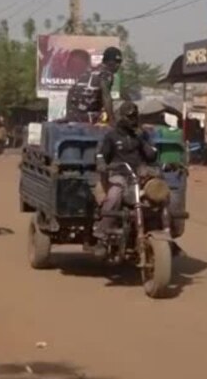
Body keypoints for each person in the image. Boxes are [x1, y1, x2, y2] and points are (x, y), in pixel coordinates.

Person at [94, 101, 157, 243]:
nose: (133, 120)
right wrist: (102, 164)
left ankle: (166, 233)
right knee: (114, 195)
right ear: (121, 117)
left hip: (140, 177)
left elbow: (152, 156)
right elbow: (101, 155)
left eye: (135, 116)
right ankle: (102, 230)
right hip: (119, 175)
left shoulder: (142, 135)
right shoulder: (112, 136)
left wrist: (142, 139)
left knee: (161, 196)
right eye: (129, 117)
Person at [63, 46, 123, 124]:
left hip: (74, 115)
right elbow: (106, 96)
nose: (118, 66)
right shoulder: (106, 74)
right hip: (88, 116)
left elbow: (71, 91)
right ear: (110, 63)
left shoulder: (90, 71)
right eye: (116, 62)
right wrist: (112, 120)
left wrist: (68, 116)